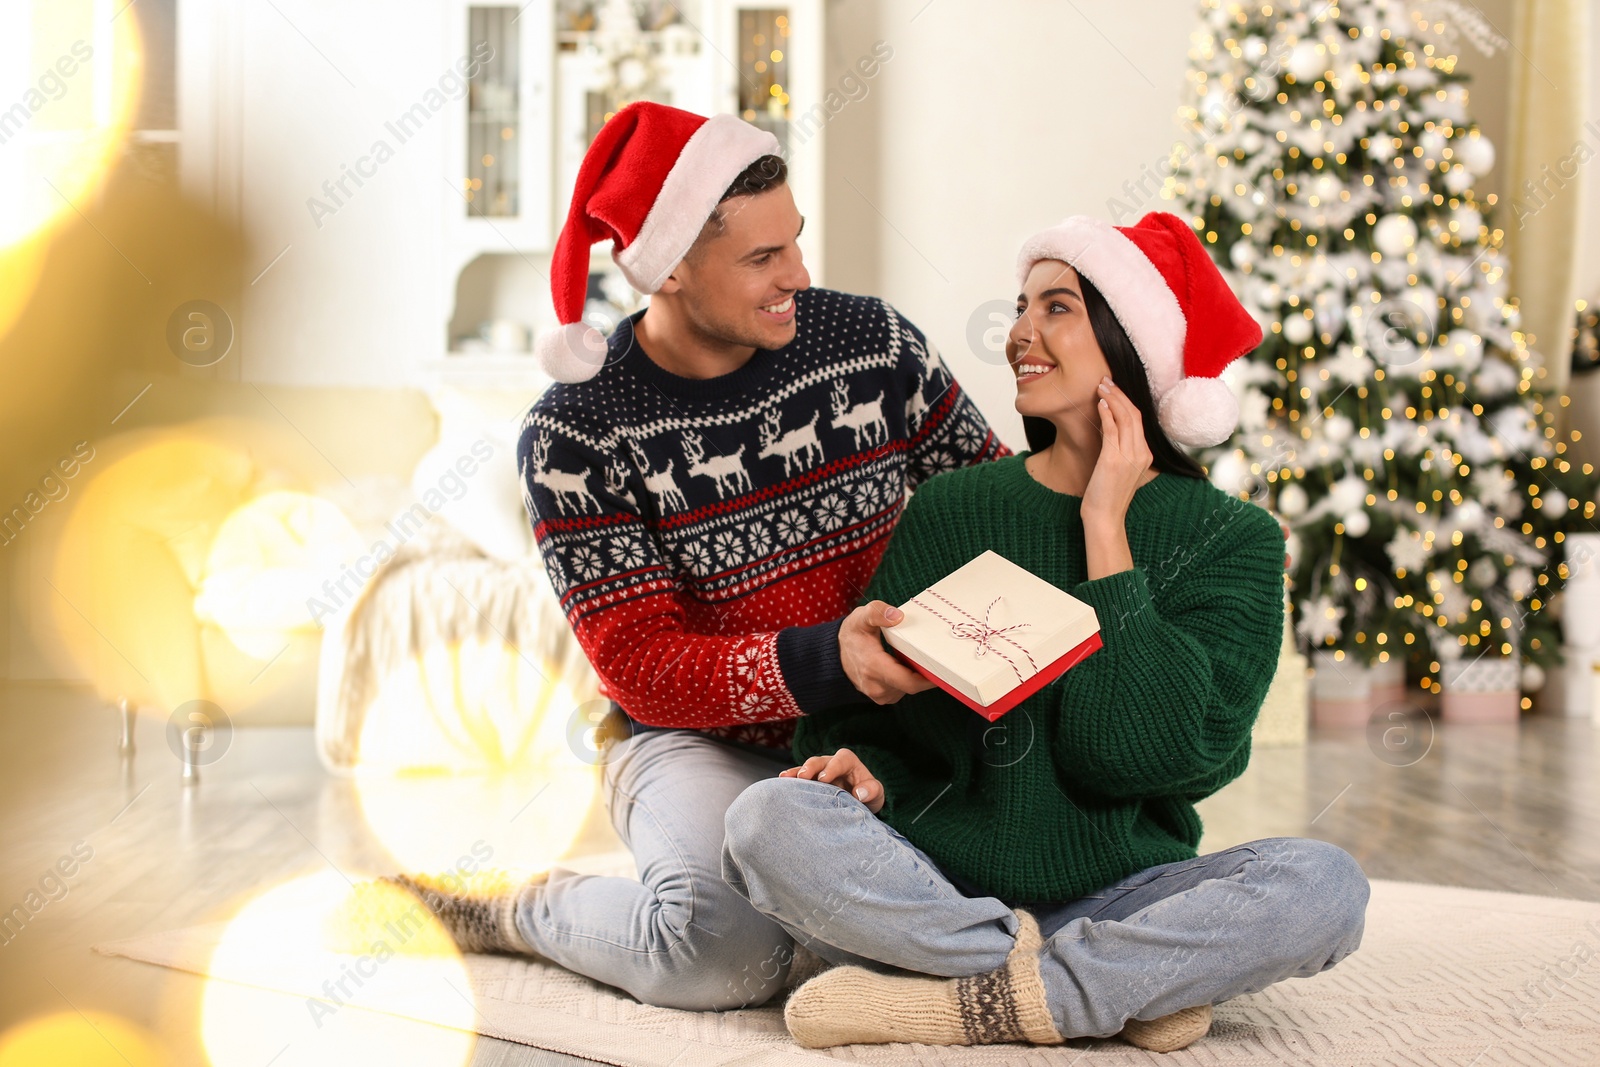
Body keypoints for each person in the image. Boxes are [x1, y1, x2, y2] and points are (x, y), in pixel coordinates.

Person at [380, 102, 1009, 1011]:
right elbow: (640, 668)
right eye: (763, 258)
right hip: (697, 744)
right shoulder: (576, 433)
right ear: (670, 265)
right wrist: (831, 657)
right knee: (720, 960)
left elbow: (992, 504)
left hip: (881, 736)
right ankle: (512, 906)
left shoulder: (874, 344)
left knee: (992, 894)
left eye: (794, 241)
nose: (798, 273)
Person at [720, 211, 1370, 1053]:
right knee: (765, 820)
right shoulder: (958, 507)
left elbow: (1140, 757)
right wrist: (865, 775)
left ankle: (962, 999)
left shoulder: (1230, 539)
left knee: (1324, 886)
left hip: (1127, 890)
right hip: (938, 890)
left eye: (1056, 307)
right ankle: (1114, 986)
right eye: (1021, 306)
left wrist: (1108, 531)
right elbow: (864, 726)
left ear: (1128, 340)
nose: (1021, 331)